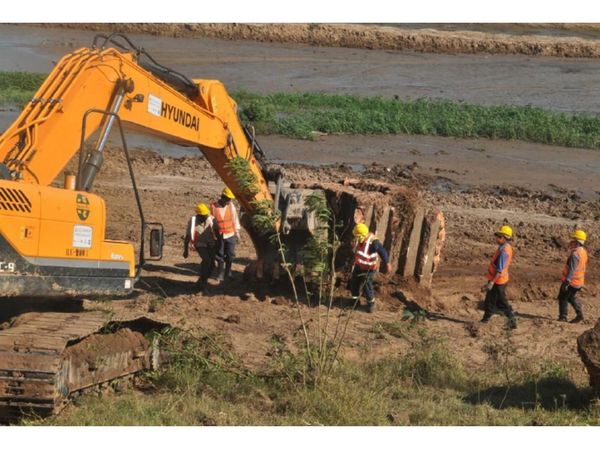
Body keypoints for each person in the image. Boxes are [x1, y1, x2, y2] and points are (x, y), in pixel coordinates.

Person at [350, 223, 392, 313]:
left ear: (361, 235)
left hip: (369, 269)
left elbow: (382, 251)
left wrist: (387, 263)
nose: (355, 238)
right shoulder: (359, 240)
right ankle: (354, 302)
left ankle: (371, 304)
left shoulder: (374, 242)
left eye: (357, 236)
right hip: (358, 266)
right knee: (354, 284)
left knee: (367, 286)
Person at [481, 225, 517, 329]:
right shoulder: (503, 247)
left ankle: (512, 321)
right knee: (489, 300)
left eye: (499, 236)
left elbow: (499, 270)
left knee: (502, 303)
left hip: (499, 281)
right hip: (497, 279)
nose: (497, 238)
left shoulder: (504, 251)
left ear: (505, 238)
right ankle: (485, 319)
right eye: (497, 236)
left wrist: (491, 283)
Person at [183, 202, 217, 290]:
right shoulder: (193, 221)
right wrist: (186, 250)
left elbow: (218, 234)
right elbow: (188, 237)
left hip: (211, 244)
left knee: (212, 264)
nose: (206, 217)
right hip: (200, 244)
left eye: (206, 215)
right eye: (204, 215)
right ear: (199, 215)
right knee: (207, 260)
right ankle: (202, 280)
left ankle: (203, 279)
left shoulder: (211, 219)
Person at [558, 229, 588, 323]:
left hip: (572, 282)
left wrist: (566, 282)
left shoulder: (575, 254)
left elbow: (572, 269)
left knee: (562, 297)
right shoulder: (583, 252)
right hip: (579, 282)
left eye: (573, 240)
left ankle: (563, 317)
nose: (571, 242)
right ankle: (579, 314)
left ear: (577, 241)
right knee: (570, 297)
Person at [211, 187, 241, 281]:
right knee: (219, 254)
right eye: (228, 199)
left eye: (230, 199)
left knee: (230, 254)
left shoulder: (231, 206)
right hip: (219, 235)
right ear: (223, 197)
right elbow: (210, 222)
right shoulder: (213, 207)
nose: (229, 201)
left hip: (230, 234)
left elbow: (234, 219)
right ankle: (220, 273)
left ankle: (228, 272)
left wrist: (237, 232)